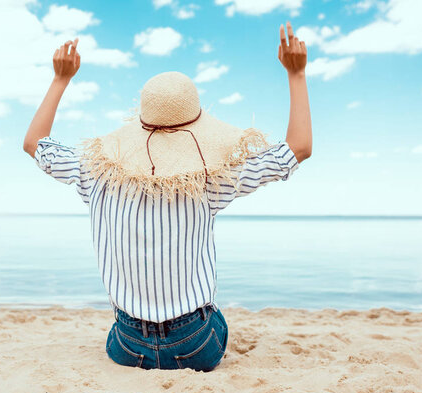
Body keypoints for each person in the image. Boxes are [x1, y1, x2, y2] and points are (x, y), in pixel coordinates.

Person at [23, 21, 311, 372]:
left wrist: (60, 79)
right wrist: (296, 75)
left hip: (128, 345)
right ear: (196, 130)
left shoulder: (95, 173)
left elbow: (34, 143)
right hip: (196, 345)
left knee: (125, 328)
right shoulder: (207, 181)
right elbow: (297, 149)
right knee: (215, 317)